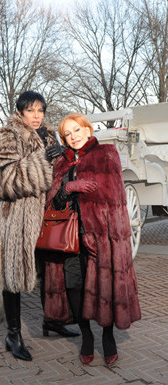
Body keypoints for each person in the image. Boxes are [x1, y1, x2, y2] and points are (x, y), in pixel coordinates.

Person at [44, 112, 141, 367]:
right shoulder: (61, 163)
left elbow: (116, 200)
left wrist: (99, 235)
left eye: (77, 130)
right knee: (74, 287)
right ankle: (86, 337)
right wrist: (67, 188)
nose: (73, 137)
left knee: (104, 288)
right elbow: (52, 203)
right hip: (68, 240)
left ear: (88, 130)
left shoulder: (106, 154)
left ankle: (108, 339)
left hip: (101, 238)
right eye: (67, 134)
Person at [0, 90, 69, 361]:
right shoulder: (6, 136)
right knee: (14, 275)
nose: (36, 116)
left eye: (40, 110)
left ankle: (52, 320)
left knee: (50, 270)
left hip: (45, 216)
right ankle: (13, 334)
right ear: (20, 111)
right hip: (16, 218)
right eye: (31, 110)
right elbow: (3, 182)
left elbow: (57, 176)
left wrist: (62, 160)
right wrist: (43, 161)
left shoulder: (47, 135)